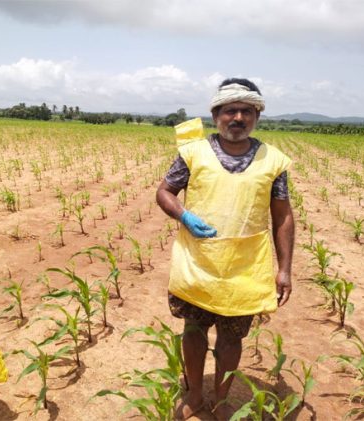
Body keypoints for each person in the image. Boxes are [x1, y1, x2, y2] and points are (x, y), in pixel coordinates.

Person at [156, 78, 294, 420]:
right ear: (216, 114)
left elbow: (283, 216)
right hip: (198, 262)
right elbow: (165, 192)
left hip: (245, 265)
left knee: (232, 337)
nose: (237, 117)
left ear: (257, 117)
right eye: (230, 110)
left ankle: (220, 399)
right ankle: (195, 395)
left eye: (246, 111)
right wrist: (184, 215)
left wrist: (285, 268)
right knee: (193, 328)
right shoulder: (193, 152)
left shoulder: (273, 161)